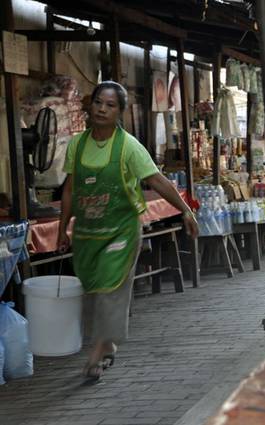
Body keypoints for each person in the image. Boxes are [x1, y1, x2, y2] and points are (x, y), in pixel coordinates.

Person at [56, 81, 198, 380]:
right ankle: (107, 345)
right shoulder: (77, 145)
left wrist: (185, 209)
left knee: (110, 289)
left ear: (119, 112)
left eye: (109, 105)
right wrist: (62, 228)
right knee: (93, 292)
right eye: (98, 102)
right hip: (86, 233)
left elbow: (157, 180)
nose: (102, 109)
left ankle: (96, 354)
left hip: (120, 231)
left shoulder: (129, 147)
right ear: (90, 105)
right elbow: (69, 190)